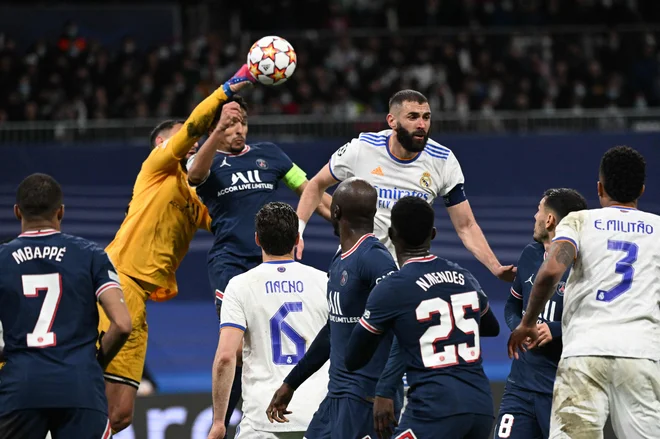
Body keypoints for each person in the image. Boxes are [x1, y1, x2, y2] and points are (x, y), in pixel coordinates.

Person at [98, 64, 255, 433]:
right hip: (116, 284)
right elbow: (195, 128)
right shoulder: (156, 170)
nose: (196, 144)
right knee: (84, 389)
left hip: (141, 298)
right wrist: (229, 89)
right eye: (186, 139)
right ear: (162, 145)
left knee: (120, 415)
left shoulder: (194, 193)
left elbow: (229, 221)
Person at [187, 95, 332, 430]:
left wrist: (343, 218)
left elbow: (308, 188)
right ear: (214, 128)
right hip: (232, 264)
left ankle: (292, 399)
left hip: (275, 257)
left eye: (242, 123)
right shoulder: (203, 160)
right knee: (236, 349)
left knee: (287, 336)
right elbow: (195, 176)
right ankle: (224, 421)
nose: (238, 130)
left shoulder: (270, 154)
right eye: (229, 124)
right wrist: (215, 132)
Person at [508, 145, 660, 439]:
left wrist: (527, 323)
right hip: (641, 354)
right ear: (641, 189)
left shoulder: (580, 221)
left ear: (600, 188)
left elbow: (552, 271)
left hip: (584, 353)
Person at [295, 89, 515, 282]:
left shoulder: (443, 160)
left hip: (404, 277)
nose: (422, 125)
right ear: (392, 121)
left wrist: (495, 266)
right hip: (354, 268)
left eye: (426, 117)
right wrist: (299, 230)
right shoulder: (362, 148)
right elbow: (315, 185)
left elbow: (466, 226)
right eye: (413, 117)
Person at [344, 196, 501, 439]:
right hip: (480, 409)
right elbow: (491, 327)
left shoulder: (392, 288)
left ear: (392, 235)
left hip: (434, 412)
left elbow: (353, 359)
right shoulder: (464, 276)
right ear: (434, 233)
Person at [266, 178, 402, 439]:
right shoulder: (342, 257)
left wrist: (385, 391)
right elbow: (333, 330)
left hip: (366, 399)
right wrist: (291, 382)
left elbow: (402, 326)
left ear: (336, 211)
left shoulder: (375, 258)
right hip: (337, 396)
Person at [0, 173, 132, 438]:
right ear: (60, 211)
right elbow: (122, 324)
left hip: (20, 388)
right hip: (80, 384)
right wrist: (95, 360)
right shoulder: (91, 255)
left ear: (17, 212)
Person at [206, 202, 329, 439]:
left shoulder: (240, 286)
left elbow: (225, 357)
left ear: (257, 240)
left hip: (263, 422)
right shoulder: (324, 282)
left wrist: (219, 422)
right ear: (297, 239)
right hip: (318, 419)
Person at [494, 189, 587, 439]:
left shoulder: (584, 265)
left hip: (564, 393)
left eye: (539, 209)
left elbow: (596, 321)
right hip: (520, 388)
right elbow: (512, 306)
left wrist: (554, 330)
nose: (534, 215)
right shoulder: (530, 254)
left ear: (549, 221)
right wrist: (522, 327)